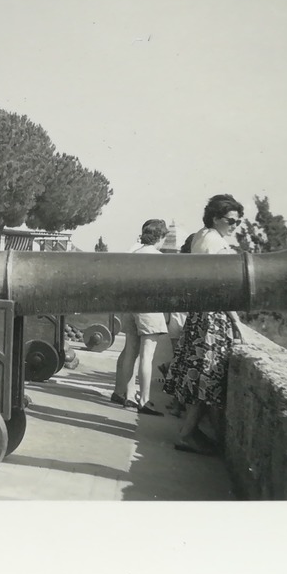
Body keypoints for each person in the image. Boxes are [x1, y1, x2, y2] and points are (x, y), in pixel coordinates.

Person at [165, 194, 246, 454]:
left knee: (198, 375)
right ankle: (186, 434)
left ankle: (189, 432)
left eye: (238, 221)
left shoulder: (201, 236)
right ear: (215, 218)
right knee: (207, 377)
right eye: (230, 220)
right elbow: (222, 286)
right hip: (213, 316)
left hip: (200, 314)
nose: (235, 225)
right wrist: (236, 321)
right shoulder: (216, 243)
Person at [110, 219, 172, 415]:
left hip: (130, 307)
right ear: (160, 237)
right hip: (149, 308)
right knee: (147, 356)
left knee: (130, 351)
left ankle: (122, 393)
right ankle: (144, 401)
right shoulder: (159, 258)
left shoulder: (134, 255)